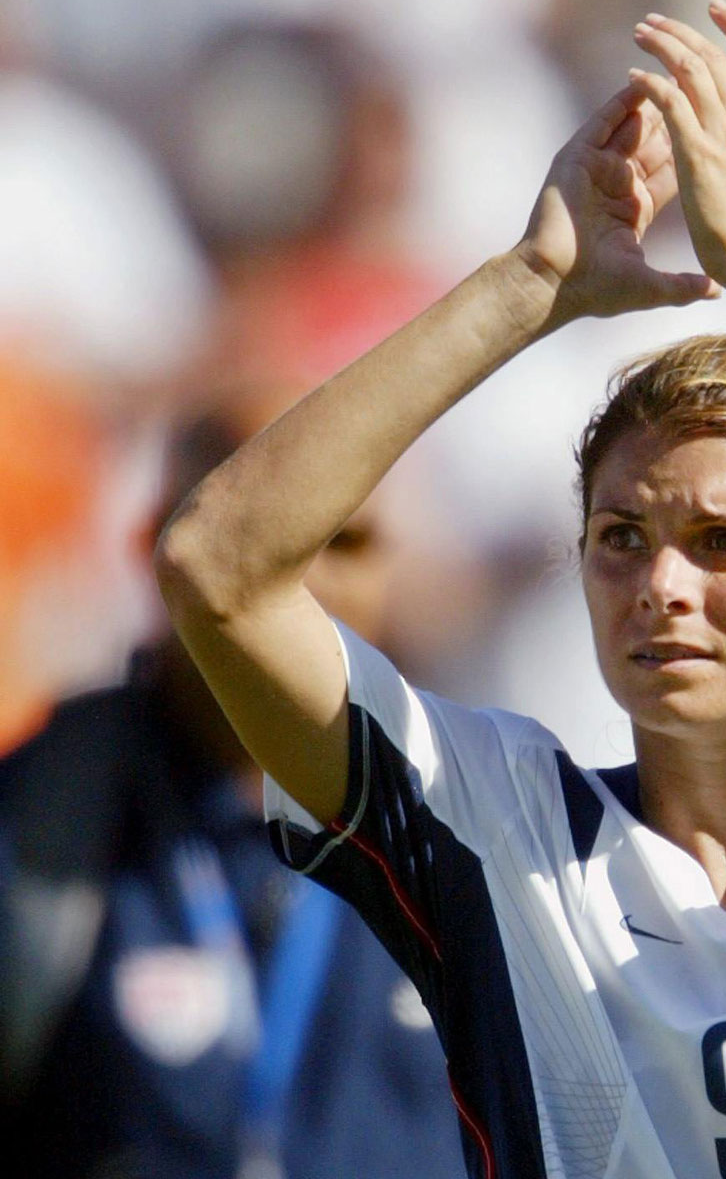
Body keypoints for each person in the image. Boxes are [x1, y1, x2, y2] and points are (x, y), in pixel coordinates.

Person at [156, 2, 726, 1179]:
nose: (659, 582)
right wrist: (529, 281)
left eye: (723, 542)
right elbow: (221, 566)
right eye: (619, 536)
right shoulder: (493, 826)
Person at [0, 391, 466, 1178]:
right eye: (266, 536)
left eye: (344, 540)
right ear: (154, 546)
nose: (305, 581)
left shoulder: (484, 820)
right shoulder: (43, 808)